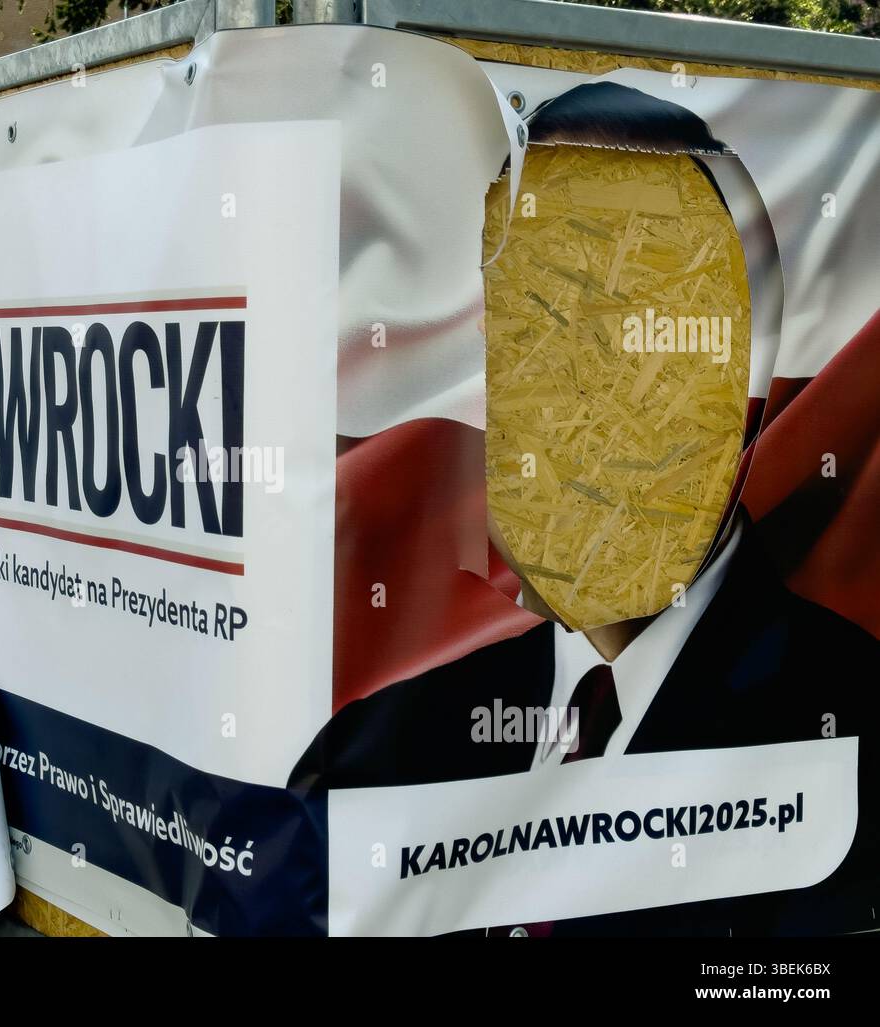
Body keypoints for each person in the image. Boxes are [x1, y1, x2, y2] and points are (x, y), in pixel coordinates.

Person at [288, 84, 880, 936]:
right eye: (540, 320)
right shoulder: (376, 754)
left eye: (646, 322)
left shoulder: (855, 735)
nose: (584, 387)